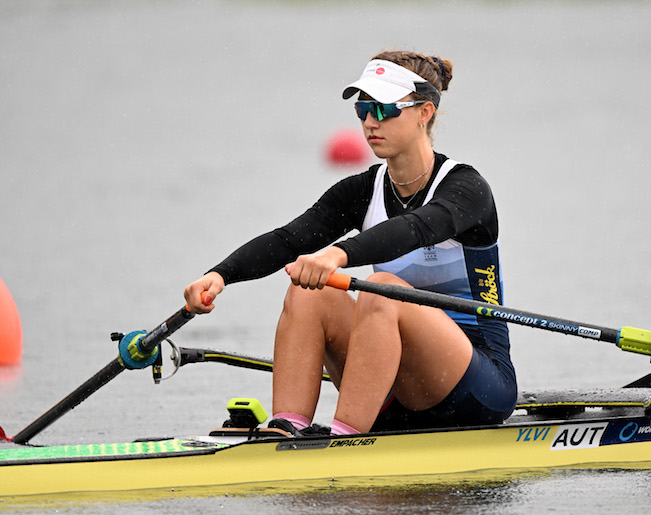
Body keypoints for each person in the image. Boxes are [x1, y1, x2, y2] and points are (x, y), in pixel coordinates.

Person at [183, 50, 517, 436]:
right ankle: (286, 428)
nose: (371, 122)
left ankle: (346, 439)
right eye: (363, 109)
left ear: (424, 112)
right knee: (310, 291)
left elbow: (413, 229)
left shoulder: (467, 189)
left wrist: (337, 254)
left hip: (476, 389)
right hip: (390, 388)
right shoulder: (362, 190)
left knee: (383, 289)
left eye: (384, 109)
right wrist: (219, 275)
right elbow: (288, 239)